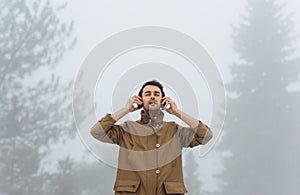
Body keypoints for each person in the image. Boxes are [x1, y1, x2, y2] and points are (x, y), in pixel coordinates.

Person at [91, 80, 213, 195]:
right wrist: (126, 109)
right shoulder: (127, 129)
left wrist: (177, 112)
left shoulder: (175, 131)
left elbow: (205, 136)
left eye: (156, 94)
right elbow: (97, 132)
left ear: (163, 101)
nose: (152, 97)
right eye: (147, 94)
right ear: (140, 100)